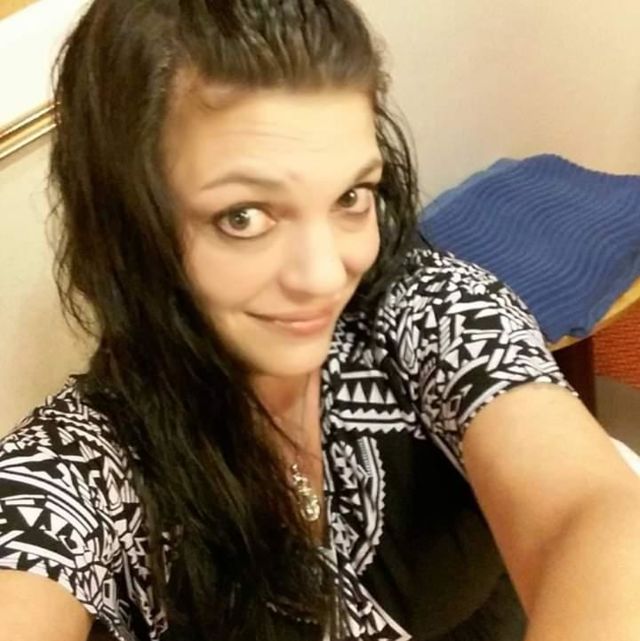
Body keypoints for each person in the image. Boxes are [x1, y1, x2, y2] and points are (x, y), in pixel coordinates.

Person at [1, 1, 639, 640]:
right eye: (243, 216)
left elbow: (594, 515)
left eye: (350, 198)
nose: (326, 275)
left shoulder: (426, 308)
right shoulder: (82, 463)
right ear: (125, 226)